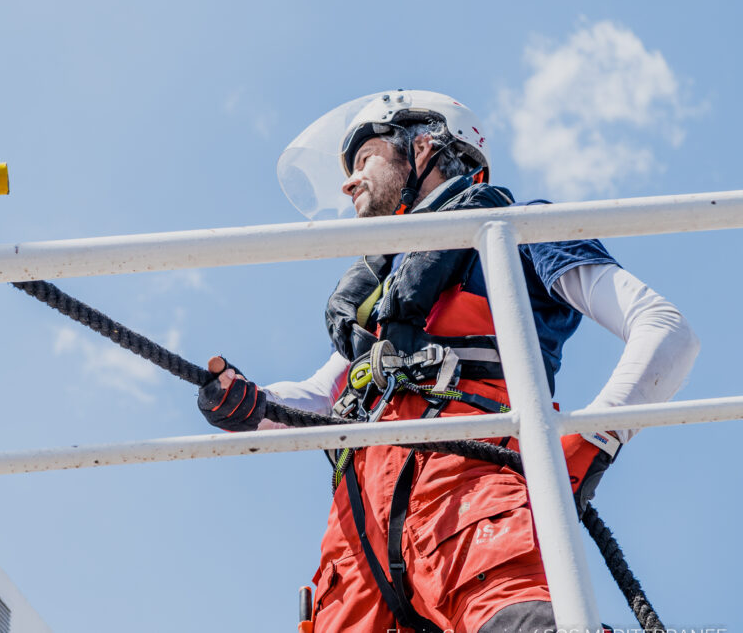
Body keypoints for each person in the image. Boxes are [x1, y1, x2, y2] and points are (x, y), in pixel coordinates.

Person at [196, 90, 699, 632]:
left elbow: (665, 331)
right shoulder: (379, 302)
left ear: (424, 145)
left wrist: (588, 445)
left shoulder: (513, 236)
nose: (347, 182)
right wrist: (244, 402)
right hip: (359, 555)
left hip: (475, 523)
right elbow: (315, 398)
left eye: (364, 158)